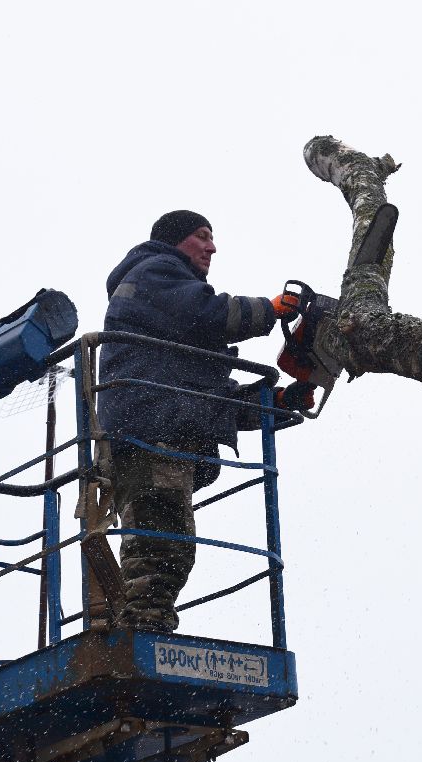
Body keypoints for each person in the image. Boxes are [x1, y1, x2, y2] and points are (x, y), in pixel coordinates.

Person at [97, 209, 300, 632]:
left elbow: (208, 400)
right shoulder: (156, 272)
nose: (211, 247)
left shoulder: (173, 341)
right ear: (175, 241)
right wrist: (270, 309)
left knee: (163, 542)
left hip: (156, 428)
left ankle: (139, 623)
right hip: (150, 430)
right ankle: (140, 629)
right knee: (162, 546)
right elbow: (211, 314)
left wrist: (277, 403)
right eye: (202, 236)